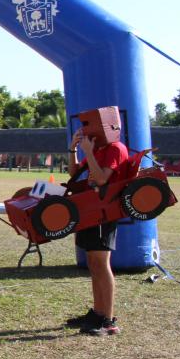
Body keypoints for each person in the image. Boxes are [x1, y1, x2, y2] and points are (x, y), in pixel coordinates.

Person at [63, 123, 129, 336]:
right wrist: (73, 150)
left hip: (104, 211)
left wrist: (89, 152)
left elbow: (101, 178)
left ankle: (108, 320)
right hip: (90, 209)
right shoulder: (98, 150)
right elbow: (75, 174)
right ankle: (98, 312)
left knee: (101, 263)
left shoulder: (115, 148)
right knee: (93, 262)